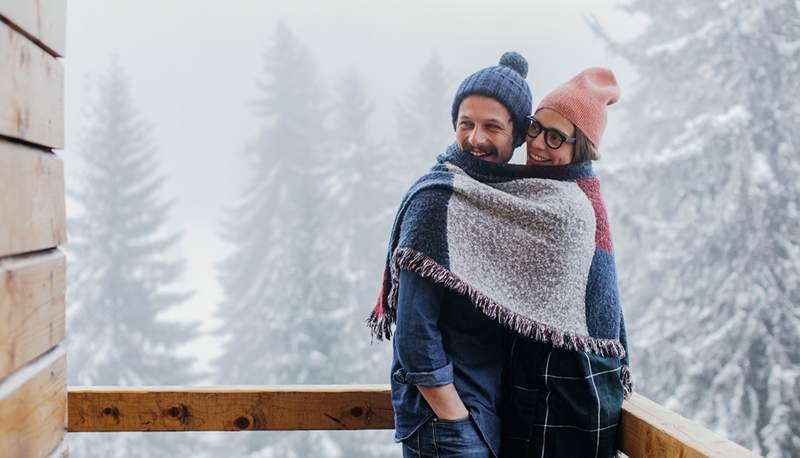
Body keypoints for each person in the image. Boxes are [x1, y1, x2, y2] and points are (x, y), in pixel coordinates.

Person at [368, 51, 533, 458]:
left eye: (491, 126)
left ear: (517, 135)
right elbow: (413, 330)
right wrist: (453, 415)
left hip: (485, 415)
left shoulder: (502, 200)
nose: (475, 137)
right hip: (450, 425)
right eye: (466, 123)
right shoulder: (437, 199)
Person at [501, 67, 632, 458]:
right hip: (531, 385)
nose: (538, 144)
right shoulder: (529, 190)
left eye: (556, 136)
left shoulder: (575, 208)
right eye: (535, 128)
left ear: (582, 147)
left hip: (569, 389)